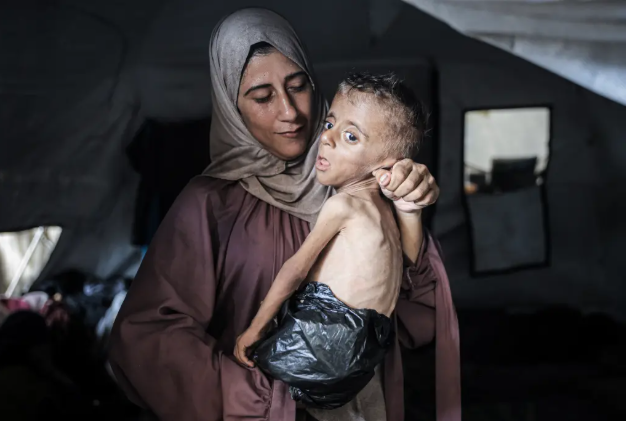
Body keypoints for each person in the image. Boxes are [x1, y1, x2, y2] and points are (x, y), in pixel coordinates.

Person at [108, 7, 460, 421]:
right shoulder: (209, 204)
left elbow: (416, 319)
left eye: (298, 86)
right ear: (231, 106)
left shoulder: (362, 187)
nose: (290, 111)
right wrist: (260, 396)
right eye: (262, 97)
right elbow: (146, 336)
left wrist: (409, 210)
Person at [233, 72, 425, 411]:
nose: (327, 139)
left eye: (350, 136)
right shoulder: (384, 212)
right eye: (329, 124)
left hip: (324, 349)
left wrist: (256, 328)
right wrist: (409, 210)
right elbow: (410, 257)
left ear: (387, 164)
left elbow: (294, 269)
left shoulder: (343, 205)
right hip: (365, 354)